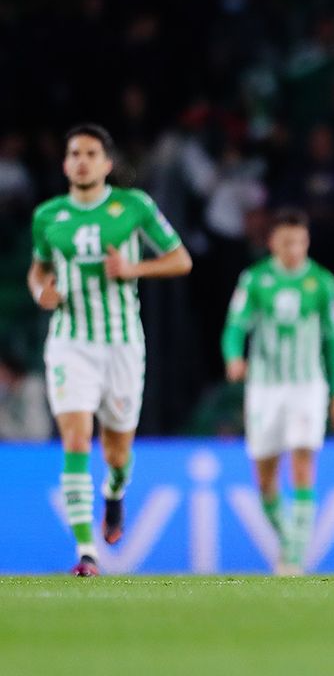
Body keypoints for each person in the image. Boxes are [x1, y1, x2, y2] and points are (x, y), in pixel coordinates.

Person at [27, 124, 193, 576]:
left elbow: (181, 259)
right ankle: (87, 553)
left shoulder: (133, 207)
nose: (81, 160)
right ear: (65, 164)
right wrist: (40, 291)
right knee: (77, 438)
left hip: (121, 344)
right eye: (74, 153)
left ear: (106, 163)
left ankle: (115, 493)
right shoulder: (48, 216)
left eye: (91, 153)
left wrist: (132, 267)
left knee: (117, 452)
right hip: (70, 342)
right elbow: (38, 271)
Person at [221, 208, 334, 575]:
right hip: (264, 388)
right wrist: (233, 357)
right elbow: (234, 327)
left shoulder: (323, 283)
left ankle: (294, 555)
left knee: (302, 461)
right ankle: (288, 540)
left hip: (308, 384)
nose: (294, 249)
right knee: (265, 477)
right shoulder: (255, 280)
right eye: (286, 242)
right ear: (272, 242)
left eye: (299, 242)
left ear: (306, 242)